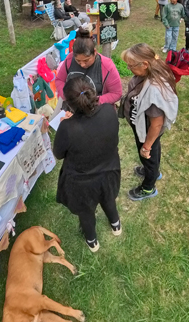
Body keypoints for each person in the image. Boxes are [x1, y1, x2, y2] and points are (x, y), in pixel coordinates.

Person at [52, 75, 122, 252]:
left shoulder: (67, 127)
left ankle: (92, 241)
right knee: (108, 199)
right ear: (92, 92)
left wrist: (64, 124)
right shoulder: (109, 110)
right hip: (109, 171)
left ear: (70, 104)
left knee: (85, 212)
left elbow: (58, 154)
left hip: (82, 183)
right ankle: (116, 225)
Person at [120, 44, 179, 201]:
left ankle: (148, 188)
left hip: (147, 132)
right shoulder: (150, 71)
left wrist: (146, 146)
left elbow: (156, 124)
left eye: (131, 65)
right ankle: (153, 171)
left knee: (148, 156)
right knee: (154, 152)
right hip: (145, 129)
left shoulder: (154, 91)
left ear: (144, 64)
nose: (128, 68)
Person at [53, 32, 123, 105]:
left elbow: (116, 93)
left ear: (95, 52)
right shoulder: (69, 59)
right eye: (78, 61)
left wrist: (92, 101)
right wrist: (67, 96)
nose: (82, 64)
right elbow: (60, 80)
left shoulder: (107, 66)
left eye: (86, 60)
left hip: (96, 108)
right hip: (72, 106)